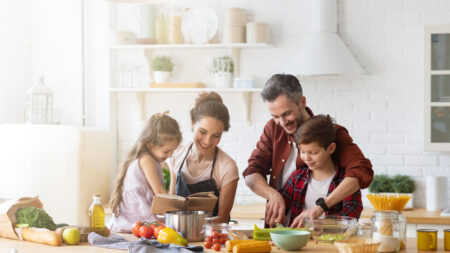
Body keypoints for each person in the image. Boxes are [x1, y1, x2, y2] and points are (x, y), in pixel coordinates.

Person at [243, 74, 373, 227]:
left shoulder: (330, 132)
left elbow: (361, 171)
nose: (282, 122)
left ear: (302, 102)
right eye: (275, 116)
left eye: (286, 114)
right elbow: (251, 173)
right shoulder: (273, 128)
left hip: (323, 232)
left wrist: (322, 206)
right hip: (282, 228)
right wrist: (273, 195)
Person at [280, 115, 363, 227]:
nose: (306, 158)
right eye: (302, 151)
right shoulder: (297, 177)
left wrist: (320, 224)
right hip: (299, 243)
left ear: (331, 148)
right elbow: (282, 206)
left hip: (332, 242)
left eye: (313, 153)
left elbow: (353, 213)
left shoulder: (345, 181)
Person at [168, 92, 239, 223]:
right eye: (203, 132)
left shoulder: (227, 167)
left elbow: (222, 219)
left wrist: (193, 229)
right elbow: (171, 208)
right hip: (177, 237)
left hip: (211, 238)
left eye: (216, 136)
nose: (207, 141)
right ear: (192, 123)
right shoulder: (176, 154)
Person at [109, 112, 182, 232]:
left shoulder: (149, 159)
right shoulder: (147, 160)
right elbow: (159, 192)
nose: (169, 156)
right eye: (166, 151)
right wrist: (178, 211)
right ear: (150, 144)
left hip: (135, 220)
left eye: (172, 152)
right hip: (137, 220)